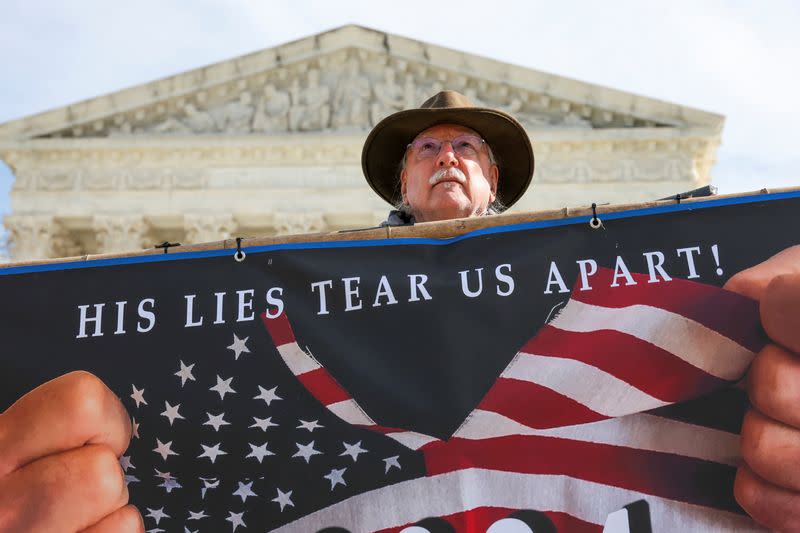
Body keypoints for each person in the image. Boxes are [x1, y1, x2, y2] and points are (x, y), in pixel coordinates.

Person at [0, 91, 798, 532]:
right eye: (426, 148)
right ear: (399, 187)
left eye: (468, 150)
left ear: (499, 186)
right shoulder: (308, 289)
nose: (447, 156)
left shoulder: (595, 284)